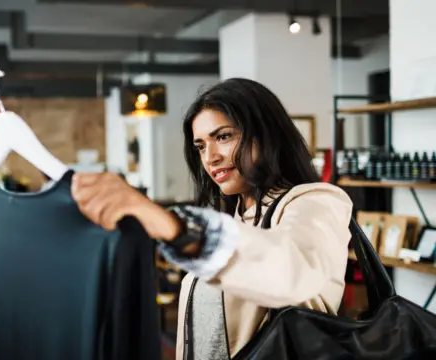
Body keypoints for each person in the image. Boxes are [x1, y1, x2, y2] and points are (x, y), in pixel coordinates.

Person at [71, 78, 352, 360]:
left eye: (223, 137)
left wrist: (177, 228)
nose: (210, 158)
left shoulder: (316, 202)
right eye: (200, 146)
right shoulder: (234, 219)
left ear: (266, 135)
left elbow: (293, 270)